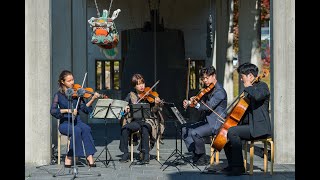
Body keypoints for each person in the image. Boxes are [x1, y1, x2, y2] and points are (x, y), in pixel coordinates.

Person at [221, 62, 272, 176]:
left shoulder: (262, 87)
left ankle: (239, 168)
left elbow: (258, 96)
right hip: (250, 126)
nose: (241, 80)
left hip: (260, 127)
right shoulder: (250, 90)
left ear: (250, 76)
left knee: (232, 132)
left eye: (242, 77)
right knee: (226, 132)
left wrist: (249, 86)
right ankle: (233, 165)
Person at [50, 70, 100, 168]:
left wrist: (93, 99)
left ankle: (89, 156)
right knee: (76, 130)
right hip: (65, 123)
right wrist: (67, 110)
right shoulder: (58, 95)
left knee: (86, 128)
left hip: (77, 121)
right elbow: (53, 111)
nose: (72, 82)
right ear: (62, 82)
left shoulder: (77, 94)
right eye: (69, 81)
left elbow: (84, 109)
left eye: (72, 80)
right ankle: (70, 156)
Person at [182, 66, 227, 165]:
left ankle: (202, 158)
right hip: (207, 121)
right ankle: (196, 154)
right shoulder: (208, 90)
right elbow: (200, 101)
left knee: (194, 133)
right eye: (203, 78)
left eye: (207, 78)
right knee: (185, 130)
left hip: (216, 123)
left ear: (214, 76)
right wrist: (190, 102)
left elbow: (207, 107)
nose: (205, 81)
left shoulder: (220, 92)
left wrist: (194, 104)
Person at [119, 73, 164, 164]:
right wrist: (125, 108)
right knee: (125, 128)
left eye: (142, 83)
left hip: (149, 120)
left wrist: (156, 104)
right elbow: (123, 106)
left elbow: (155, 111)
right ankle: (125, 153)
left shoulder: (151, 95)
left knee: (145, 128)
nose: (141, 86)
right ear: (134, 86)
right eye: (138, 84)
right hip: (136, 121)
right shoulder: (131, 95)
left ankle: (145, 154)